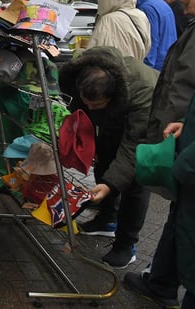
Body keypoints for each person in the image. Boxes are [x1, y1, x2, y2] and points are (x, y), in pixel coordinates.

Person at [123, 0, 195, 307]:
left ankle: (167, 281)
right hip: (183, 129)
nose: (182, 0)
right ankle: (163, 279)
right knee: (178, 214)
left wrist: (171, 125)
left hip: (181, 136)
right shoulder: (186, 21)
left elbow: (183, 82)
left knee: (182, 213)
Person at [58, 46, 159, 268]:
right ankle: (107, 220)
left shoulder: (144, 90)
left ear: (113, 97)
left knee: (134, 181)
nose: (90, 108)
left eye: (96, 105)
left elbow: (134, 146)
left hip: (143, 129)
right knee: (104, 162)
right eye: (87, 103)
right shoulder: (83, 73)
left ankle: (126, 244)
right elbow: (81, 110)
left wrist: (111, 184)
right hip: (114, 122)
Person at [87, 0, 151, 62]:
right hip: (134, 69)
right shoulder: (140, 15)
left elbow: (95, 54)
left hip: (115, 71)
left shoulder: (109, 20)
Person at [131, 0, 177, 71]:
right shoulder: (162, 4)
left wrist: (147, 70)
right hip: (169, 62)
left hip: (156, 67)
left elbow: (151, 41)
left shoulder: (146, 8)